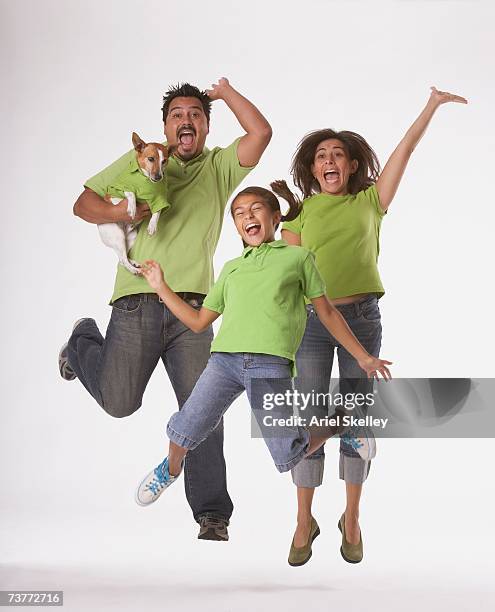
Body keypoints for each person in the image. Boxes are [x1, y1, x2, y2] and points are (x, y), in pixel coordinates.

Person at [58, 78, 273, 542]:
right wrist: (122, 213)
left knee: (204, 409)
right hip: (135, 301)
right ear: (164, 128)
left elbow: (260, 134)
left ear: (207, 126)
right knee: (119, 402)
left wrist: (225, 92)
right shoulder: (143, 159)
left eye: (195, 114)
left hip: (193, 309)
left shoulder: (218, 168)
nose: (186, 120)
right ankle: (81, 343)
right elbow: (83, 204)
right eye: (177, 114)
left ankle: (212, 513)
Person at [133, 186, 392, 541]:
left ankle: (341, 425)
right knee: (185, 427)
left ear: (275, 218)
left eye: (256, 209)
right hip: (224, 362)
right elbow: (197, 322)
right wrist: (162, 288)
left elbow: (327, 312)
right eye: (239, 213)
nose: (247, 216)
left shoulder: (297, 259)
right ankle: (170, 469)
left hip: (269, 367)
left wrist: (362, 356)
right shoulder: (232, 268)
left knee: (289, 454)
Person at [280, 86, 467, 565]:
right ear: (311, 168)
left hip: (362, 319)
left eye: (338, 154)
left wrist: (431, 105)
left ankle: (353, 516)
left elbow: (405, 149)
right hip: (311, 323)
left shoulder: (370, 202)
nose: (330, 160)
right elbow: (283, 275)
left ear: (352, 165)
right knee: (310, 420)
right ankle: (304, 520)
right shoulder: (299, 214)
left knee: (356, 420)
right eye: (321, 155)